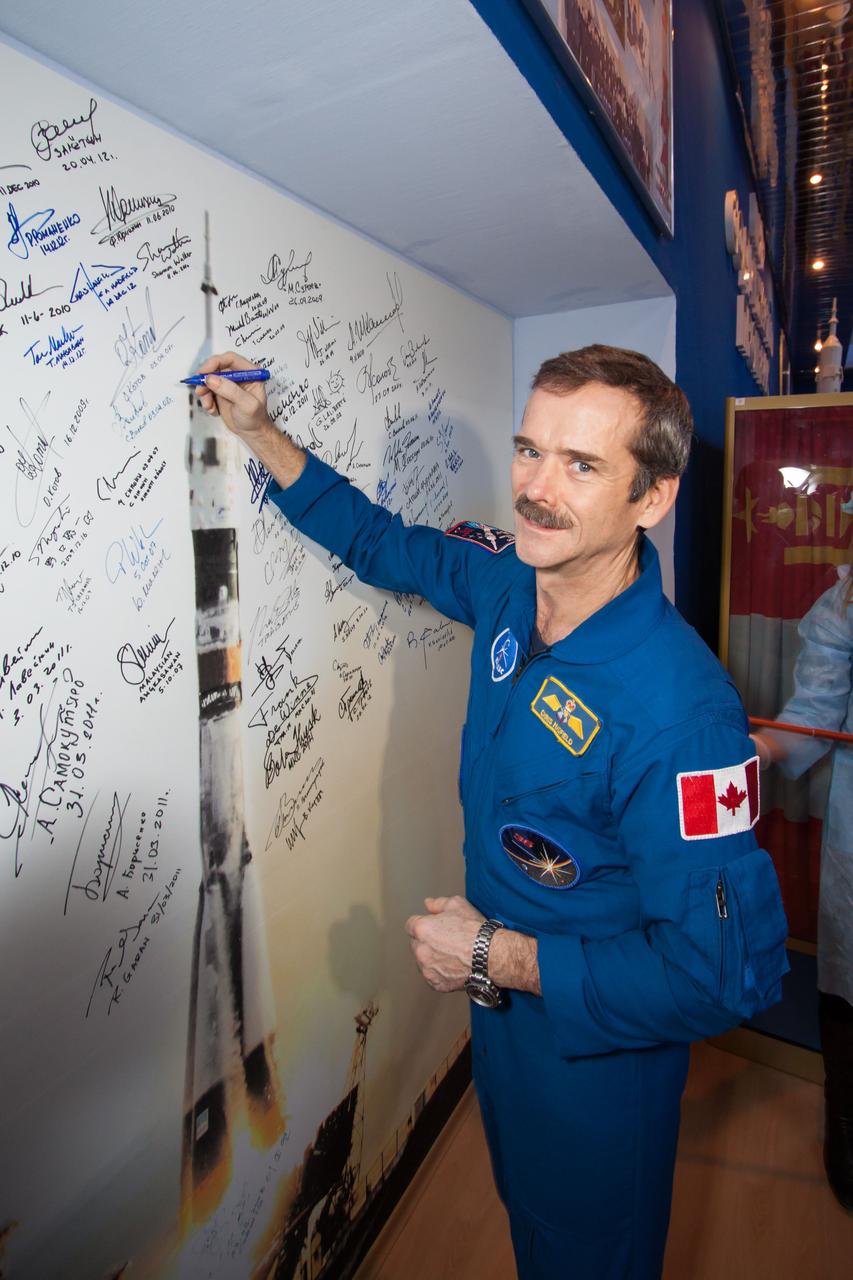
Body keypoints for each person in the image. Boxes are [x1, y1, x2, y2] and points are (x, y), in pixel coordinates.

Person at [196, 345, 789, 1279]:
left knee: (587, 1252)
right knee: (531, 1226)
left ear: (653, 497)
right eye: (529, 450)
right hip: (504, 1030)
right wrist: (261, 432)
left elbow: (719, 981)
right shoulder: (510, 582)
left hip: (599, 1061)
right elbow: (383, 542)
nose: (535, 489)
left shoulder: (682, 716)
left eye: (581, 464)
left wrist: (494, 955)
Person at [751, 555, 853, 1211]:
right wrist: (760, 748)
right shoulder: (845, 603)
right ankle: (844, 1117)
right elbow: (815, 709)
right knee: (847, 989)